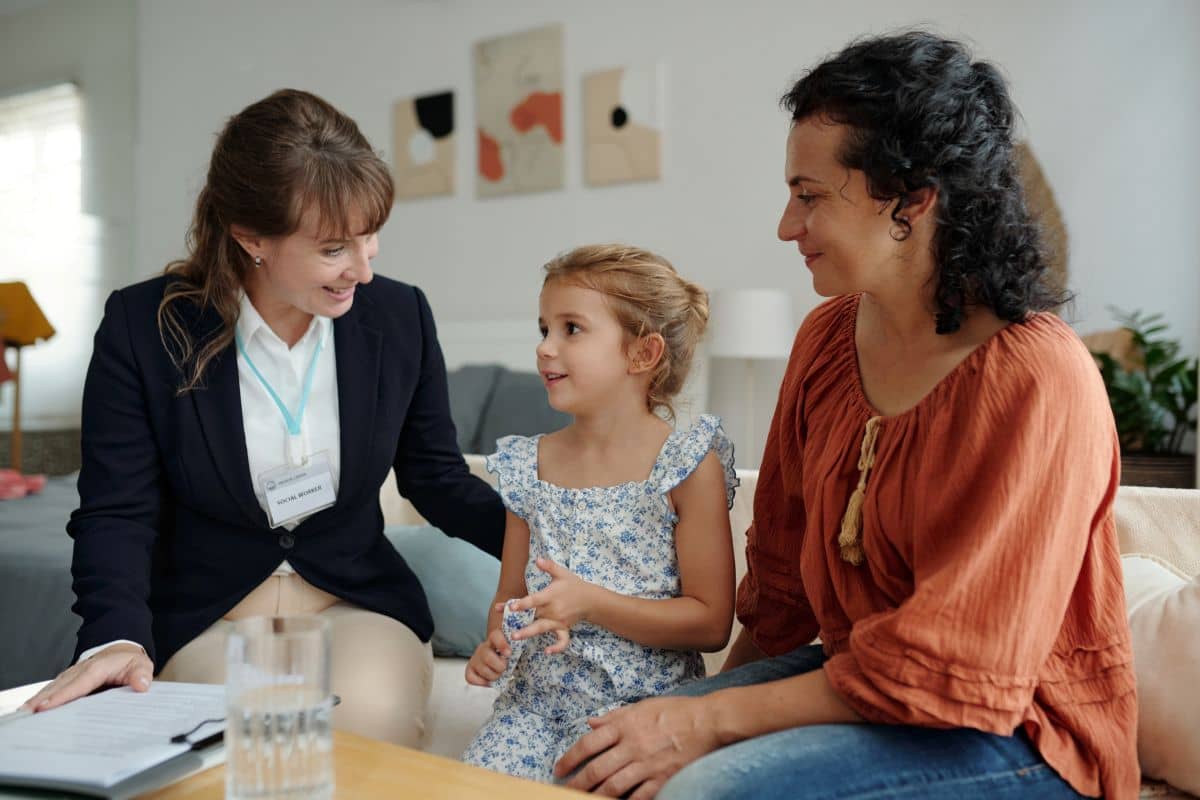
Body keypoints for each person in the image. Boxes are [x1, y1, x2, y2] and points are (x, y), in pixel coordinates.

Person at [555, 32, 1139, 800]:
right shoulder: (827, 341)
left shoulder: (1037, 376)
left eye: (810, 195)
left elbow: (964, 666)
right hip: (868, 680)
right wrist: (690, 713)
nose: (785, 226)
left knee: (708, 788)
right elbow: (780, 585)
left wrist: (710, 728)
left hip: (1017, 727)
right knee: (597, 753)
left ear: (914, 198)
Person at [21, 89, 505, 747]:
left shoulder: (399, 318)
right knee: (258, 741)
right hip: (211, 611)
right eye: (335, 248)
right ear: (251, 238)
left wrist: (547, 548)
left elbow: (438, 478)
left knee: (367, 728)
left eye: (370, 238)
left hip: (354, 600)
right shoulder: (144, 326)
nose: (362, 270)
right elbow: (117, 509)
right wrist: (114, 636)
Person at [460, 244, 738, 782]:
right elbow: (508, 598)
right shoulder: (526, 466)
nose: (545, 348)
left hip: (643, 714)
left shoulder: (686, 464)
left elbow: (710, 622)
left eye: (571, 329)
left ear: (643, 353)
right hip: (533, 711)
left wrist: (589, 604)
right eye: (543, 329)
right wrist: (495, 642)